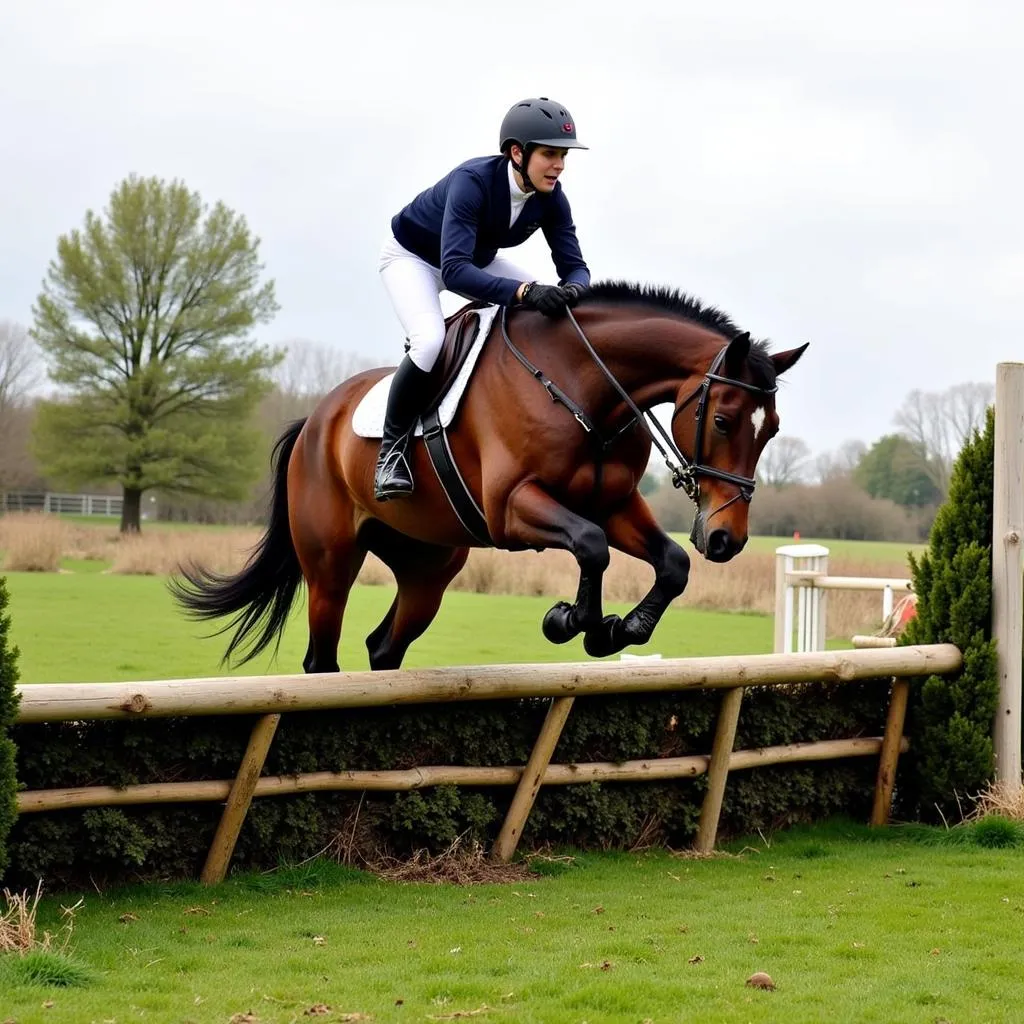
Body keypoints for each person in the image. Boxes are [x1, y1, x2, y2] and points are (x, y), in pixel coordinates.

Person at [373, 96, 593, 502]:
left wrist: (573, 290)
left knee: (553, 317)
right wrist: (525, 292)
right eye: (550, 154)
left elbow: (575, 267)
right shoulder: (472, 181)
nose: (559, 165)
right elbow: (454, 271)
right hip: (415, 259)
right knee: (429, 339)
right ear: (516, 152)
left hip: (473, 261)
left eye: (563, 155)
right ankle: (390, 454)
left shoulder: (551, 197)